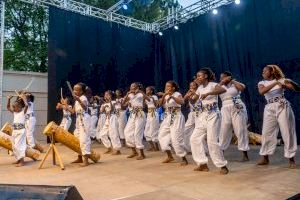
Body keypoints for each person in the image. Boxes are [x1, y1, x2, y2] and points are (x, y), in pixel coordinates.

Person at [257, 65, 300, 168]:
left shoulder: (282, 80)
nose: (263, 73)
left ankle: (291, 159)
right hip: (269, 107)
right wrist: (276, 82)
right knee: (266, 133)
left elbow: (297, 89)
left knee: (287, 132)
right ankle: (265, 158)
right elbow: (262, 92)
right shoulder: (262, 83)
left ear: (271, 72)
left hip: (282, 105)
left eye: (265, 71)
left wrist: (288, 81)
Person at [190, 68, 229, 174]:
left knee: (212, 141)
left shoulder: (213, 84)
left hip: (213, 114)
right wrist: (192, 95)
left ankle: (222, 166)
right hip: (203, 115)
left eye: (199, 76)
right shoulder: (199, 88)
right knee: (194, 139)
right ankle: (202, 164)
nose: (198, 78)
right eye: (197, 76)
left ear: (206, 76)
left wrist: (208, 93)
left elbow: (223, 90)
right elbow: (193, 101)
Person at [218, 71, 250, 161]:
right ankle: (221, 153)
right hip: (225, 107)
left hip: (237, 105)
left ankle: (245, 154)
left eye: (223, 77)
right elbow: (214, 91)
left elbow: (242, 88)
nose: (222, 79)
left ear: (229, 77)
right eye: (221, 78)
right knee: (224, 130)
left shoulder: (235, 84)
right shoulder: (220, 86)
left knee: (240, 130)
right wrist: (221, 82)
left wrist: (232, 81)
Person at [158, 81, 188, 166]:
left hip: (177, 116)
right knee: (161, 136)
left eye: (168, 86)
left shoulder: (177, 94)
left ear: (173, 88)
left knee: (176, 139)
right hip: (167, 117)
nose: (166, 88)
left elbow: (182, 102)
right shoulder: (166, 95)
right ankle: (170, 156)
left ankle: (183, 158)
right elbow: (160, 104)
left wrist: (172, 97)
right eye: (166, 86)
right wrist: (164, 95)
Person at [66, 82, 92, 167]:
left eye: (77, 90)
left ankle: (86, 160)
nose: (74, 91)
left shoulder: (83, 98)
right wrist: (65, 105)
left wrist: (79, 100)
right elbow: (73, 112)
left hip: (84, 119)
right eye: (74, 89)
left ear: (82, 91)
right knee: (77, 138)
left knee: (84, 139)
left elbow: (85, 107)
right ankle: (79, 157)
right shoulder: (77, 100)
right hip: (78, 120)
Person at [122, 82, 148, 160]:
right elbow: (123, 104)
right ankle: (134, 151)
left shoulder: (140, 94)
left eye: (133, 87)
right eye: (131, 87)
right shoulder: (129, 95)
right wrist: (127, 94)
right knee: (127, 132)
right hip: (132, 115)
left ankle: (142, 154)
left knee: (137, 133)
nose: (131, 88)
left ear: (137, 87)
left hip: (140, 114)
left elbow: (148, 99)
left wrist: (141, 92)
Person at [7, 94, 28, 167]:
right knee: (14, 146)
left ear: (20, 107)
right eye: (13, 107)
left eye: (14, 107)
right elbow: (8, 107)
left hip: (21, 131)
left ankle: (22, 162)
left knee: (19, 146)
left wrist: (24, 99)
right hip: (15, 131)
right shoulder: (15, 113)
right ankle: (18, 159)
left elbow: (26, 106)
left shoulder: (23, 113)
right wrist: (9, 99)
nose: (13, 108)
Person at [99, 91, 122, 155]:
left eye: (107, 94)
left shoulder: (115, 102)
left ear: (111, 96)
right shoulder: (104, 104)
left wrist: (110, 102)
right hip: (108, 119)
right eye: (105, 94)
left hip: (113, 118)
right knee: (102, 134)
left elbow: (113, 111)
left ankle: (117, 150)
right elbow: (101, 111)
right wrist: (104, 105)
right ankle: (109, 148)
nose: (105, 96)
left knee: (113, 134)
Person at [183, 81, 199, 153]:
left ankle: (203, 150)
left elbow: (193, 101)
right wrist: (187, 96)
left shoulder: (198, 92)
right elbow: (182, 101)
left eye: (193, 86)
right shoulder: (190, 93)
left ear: (196, 86)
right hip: (192, 114)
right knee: (186, 130)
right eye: (190, 86)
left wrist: (191, 95)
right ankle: (189, 148)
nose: (191, 87)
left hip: (199, 113)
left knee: (199, 131)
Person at [144, 86, 160, 151]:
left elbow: (157, 105)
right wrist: (143, 99)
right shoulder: (145, 98)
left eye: (148, 90)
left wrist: (152, 99)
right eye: (146, 90)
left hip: (154, 113)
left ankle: (156, 147)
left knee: (154, 130)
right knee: (146, 131)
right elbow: (144, 106)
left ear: (151, 91)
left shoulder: (154, 97)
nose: (146, 91)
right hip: (149, 114)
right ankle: (152, 146)